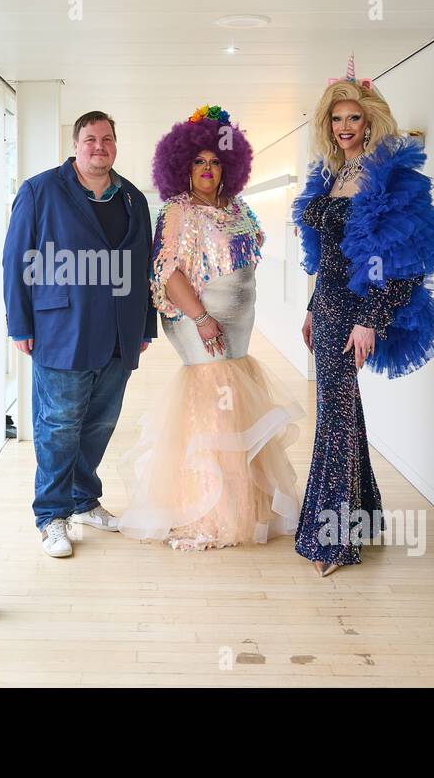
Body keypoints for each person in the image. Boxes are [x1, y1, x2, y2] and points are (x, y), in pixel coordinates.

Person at [117, 105, 303, 551]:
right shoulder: (178, 211)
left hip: (238, 322)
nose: (206, 168)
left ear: (229, 167)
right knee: (212, 403)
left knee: (234, 403)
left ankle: (244, 503)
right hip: (197, 318)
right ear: (182, 167)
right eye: (198, 162)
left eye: (215, 161)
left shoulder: (238, 206)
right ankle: (206, 509)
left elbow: (254, 243)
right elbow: (165, 270)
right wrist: (201, 318)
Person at [292, 60, 434, 576]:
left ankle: (334, 540)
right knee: (343, 412)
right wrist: (315, 308)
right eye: (336, 119)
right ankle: (364, 518)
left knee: (334, 416)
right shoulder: (331, 173)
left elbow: (406, 268)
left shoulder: (391, 178)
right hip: (330, 305)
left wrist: (370, 321)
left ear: (370, 121)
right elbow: (327, 255)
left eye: (353, 119)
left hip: (359, 310)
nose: (344, 128)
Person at [2, 111, 157, 558]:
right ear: (75, 145)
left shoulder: (131, 197)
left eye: (107, 139)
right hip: (61, 329)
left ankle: (83, 501)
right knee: (58, 426)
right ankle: (51, 516)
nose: (99, 147)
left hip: (117, 333)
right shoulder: (40, 190)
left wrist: (144, 324)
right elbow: (16, 260)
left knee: (100, 423)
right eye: (90, 139)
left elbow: (142, 268)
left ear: (115, 145)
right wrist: (20, 323)